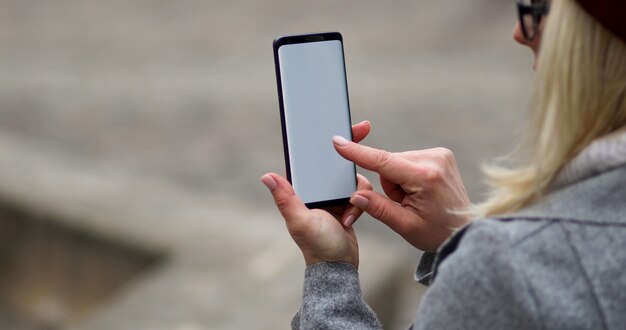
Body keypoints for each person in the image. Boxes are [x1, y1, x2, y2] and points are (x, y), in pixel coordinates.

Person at [261, 0, 626, 328]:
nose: (519, 33)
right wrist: (457, 241)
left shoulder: (510, 267)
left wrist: (330, 270)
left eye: (537, 8)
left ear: (593, 40)